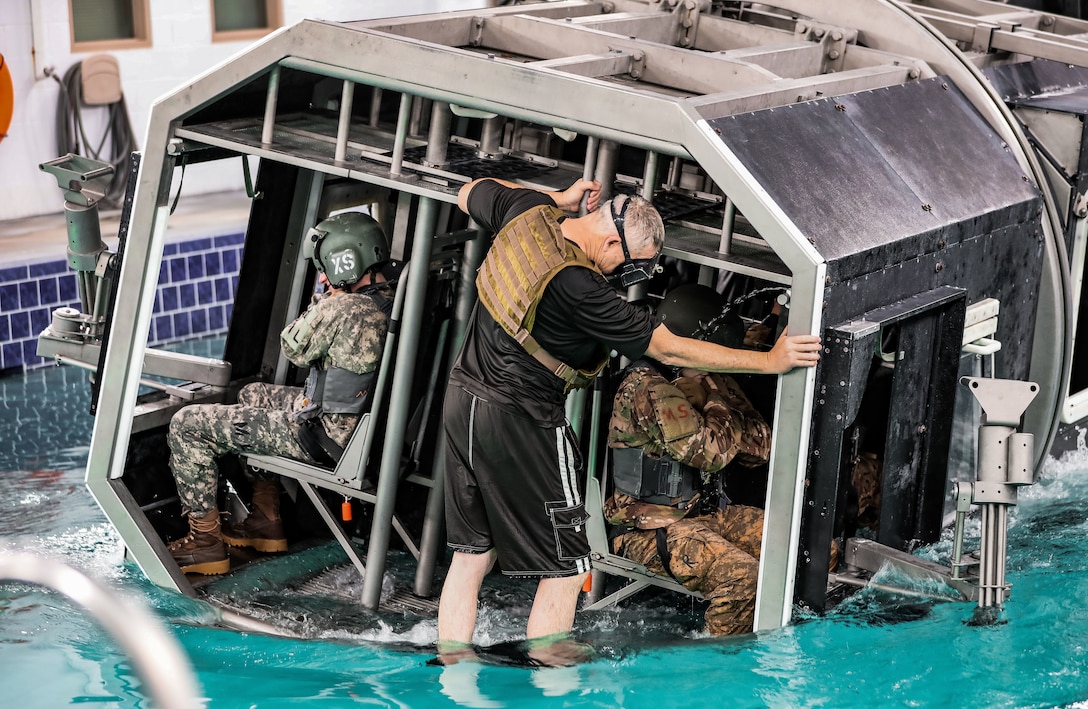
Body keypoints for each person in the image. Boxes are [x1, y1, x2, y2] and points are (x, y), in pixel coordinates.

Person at [437, 177, 822, 655]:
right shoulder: (581, 289)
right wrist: (770, 361)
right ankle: (551, 685)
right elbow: (667, 344)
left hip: (462, 401)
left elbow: (469, 189)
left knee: (472, 554)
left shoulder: (527, 211)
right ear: (612, 241)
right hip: (525, 417)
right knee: (568, 568)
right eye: (630, 266)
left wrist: (558, 198)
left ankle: (453, 674)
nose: (626, 279)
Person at [166, 211, 393, 575]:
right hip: (359, 429)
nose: (322, 277)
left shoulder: (346, 307)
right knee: (253, 394)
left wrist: (325, 300)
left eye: (325, 268)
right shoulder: (390, 299)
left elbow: (293, 345)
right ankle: (265, 520)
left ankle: (206, 543)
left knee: (186, 424)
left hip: (327, 439)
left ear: (347, 260)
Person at [606, 283, 774, 636]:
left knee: (801, 551)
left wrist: (712, 396)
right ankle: (716, 668)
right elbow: (711, 454)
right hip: (650, 530)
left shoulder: (699, 378)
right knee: (744, 579)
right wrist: (714, 400)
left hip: (706, 515)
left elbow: (762, 448)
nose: (712, 369)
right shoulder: (650, 387)